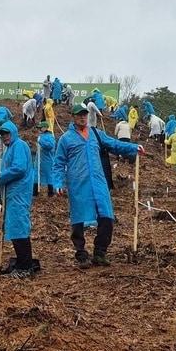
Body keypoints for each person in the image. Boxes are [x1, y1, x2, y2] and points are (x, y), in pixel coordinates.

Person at [55, 104, 140, 267]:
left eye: (84, 114)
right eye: (79, 115)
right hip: (78, 183)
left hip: (98, 181)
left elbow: (115, 144)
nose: (82, 117)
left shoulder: (96, 134)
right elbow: (59, 163)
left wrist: (133, 147)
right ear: (73, 116)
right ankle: (81, 253)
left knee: (106, 216)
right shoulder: (66, 138)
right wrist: (59, 182)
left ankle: (100, 252)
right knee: (78, 218)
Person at [0, 121, 38, 277]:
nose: (4, 137)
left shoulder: (19, 145)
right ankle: (21, 263)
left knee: (19, 226)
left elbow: (19, 168)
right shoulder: (11, 148)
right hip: (13, 193)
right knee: (14, 226)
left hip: (19, 192)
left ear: (13, 132)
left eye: (6, 133)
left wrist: (1, 177)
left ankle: (26, 267)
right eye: (2, 135)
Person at [35, 121, 58, 197]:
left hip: (47, 159)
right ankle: (35, 191)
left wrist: (41, 141)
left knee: (49, 175)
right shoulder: (41, 136)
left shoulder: (50, 136)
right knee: (36, 174)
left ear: (45, 128)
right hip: (39, 159)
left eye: (40, 128)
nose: (39, 129)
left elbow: (50, 146)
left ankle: (50, 192)